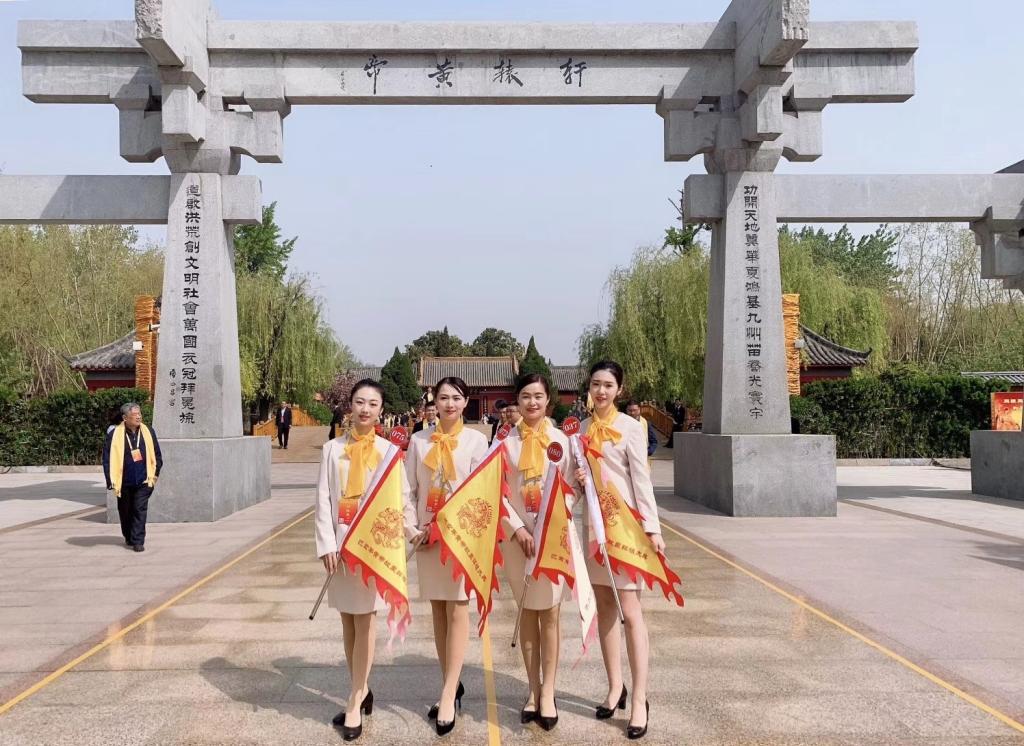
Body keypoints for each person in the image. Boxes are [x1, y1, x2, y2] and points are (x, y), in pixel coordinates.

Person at [314, 379, 411, 741]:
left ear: (381, 410)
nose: (365, 409)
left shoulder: (389, 452)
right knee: (348, 622)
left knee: (366, 620)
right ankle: (363, 687)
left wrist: (410, 530)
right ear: (350, 406)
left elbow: (401, 499)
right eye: (359, 402)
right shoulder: (331, 449)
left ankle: (355, 699)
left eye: (372, 404)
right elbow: (323, 498)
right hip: (340, 549)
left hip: (373, 550)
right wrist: (326, 544)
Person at [575, 361, 665, 740]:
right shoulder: (579, 429)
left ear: (620, 389)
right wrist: (577, 479)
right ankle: (616, 687)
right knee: (604, 608)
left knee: (631, 610)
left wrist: (652, 529)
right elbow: (576, 486)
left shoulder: (630, 428)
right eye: (596, 384)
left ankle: (640, 698)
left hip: (626, 530)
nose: (601, 391)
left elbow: (641, 481)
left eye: (608, 385)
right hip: (594, 531)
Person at [405, 376, 488, 737]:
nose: (450, 404)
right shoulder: (418, 441)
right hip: (426, 538)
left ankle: (448, 692)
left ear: (466, 402)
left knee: (457, 609)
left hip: (460, 539)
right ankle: (450, 683)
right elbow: (407, 491)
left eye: (456, 397)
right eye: (443, 398)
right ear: (434, 402)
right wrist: (411, 529)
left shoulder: (477, 441)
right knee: (438, 610)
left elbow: (482, 492)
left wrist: (464, 530)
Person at [501, 373, 578, 731]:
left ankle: (548, 692)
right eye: (525, 396)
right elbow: (497, 493)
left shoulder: (562, 442)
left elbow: (572, 488)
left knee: (550, 613)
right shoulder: (504, 445)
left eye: (538, 396)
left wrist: (553, 521)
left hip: (552, 542)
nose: (532, 402)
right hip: (518, 543)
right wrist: (517, 528)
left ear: (549, 400)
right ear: (517, 401)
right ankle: (532, 690)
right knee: (527, 614)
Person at [102, 402, 162, 552]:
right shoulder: (114, 435)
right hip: (123, 481)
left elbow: (157, 455)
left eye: (139, 414)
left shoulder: (148, 432)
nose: (139, 417)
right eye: (134, 415)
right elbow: (107, 459)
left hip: (144, 479)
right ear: (125, 418)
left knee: (139, 509)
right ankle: (129, 536)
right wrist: (110, 480)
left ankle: (138, 540)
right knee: (125, 511)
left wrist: (155, 474)